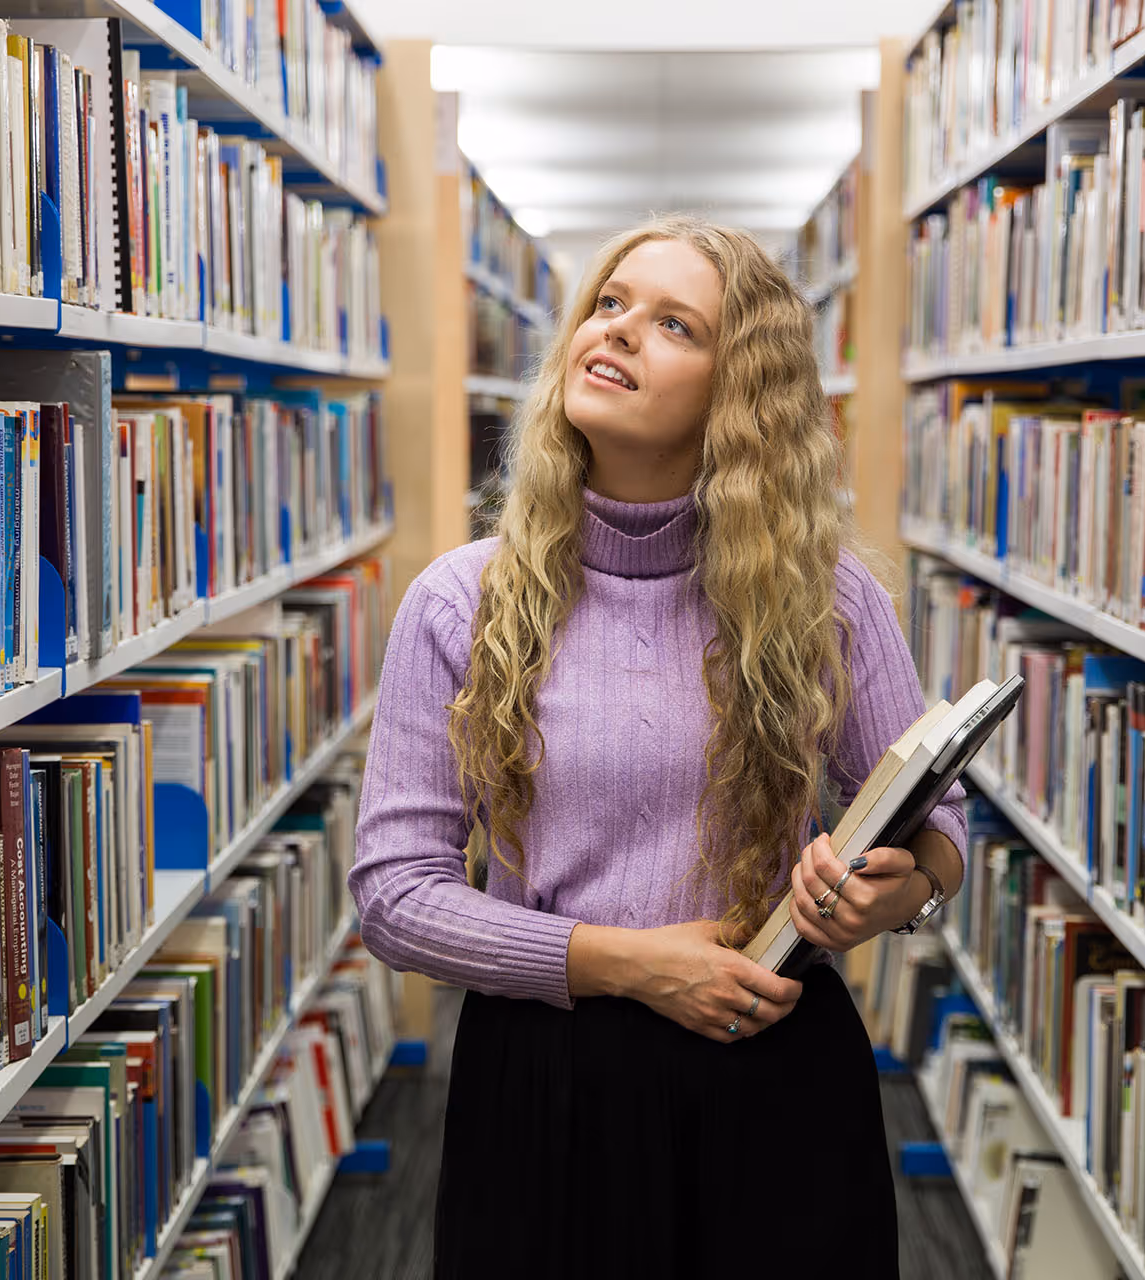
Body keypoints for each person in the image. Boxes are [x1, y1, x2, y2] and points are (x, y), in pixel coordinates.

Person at [347, 215, 966, 1279]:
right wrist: (630, 965)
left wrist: (895, 890)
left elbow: (937, 826)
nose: (621, 330)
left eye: (673, 322)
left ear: (741, 395)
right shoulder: (462, 599)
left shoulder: (829, 599)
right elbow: (394, 893)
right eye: (610, 303)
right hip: (547, 1077)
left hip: (775, 1066)